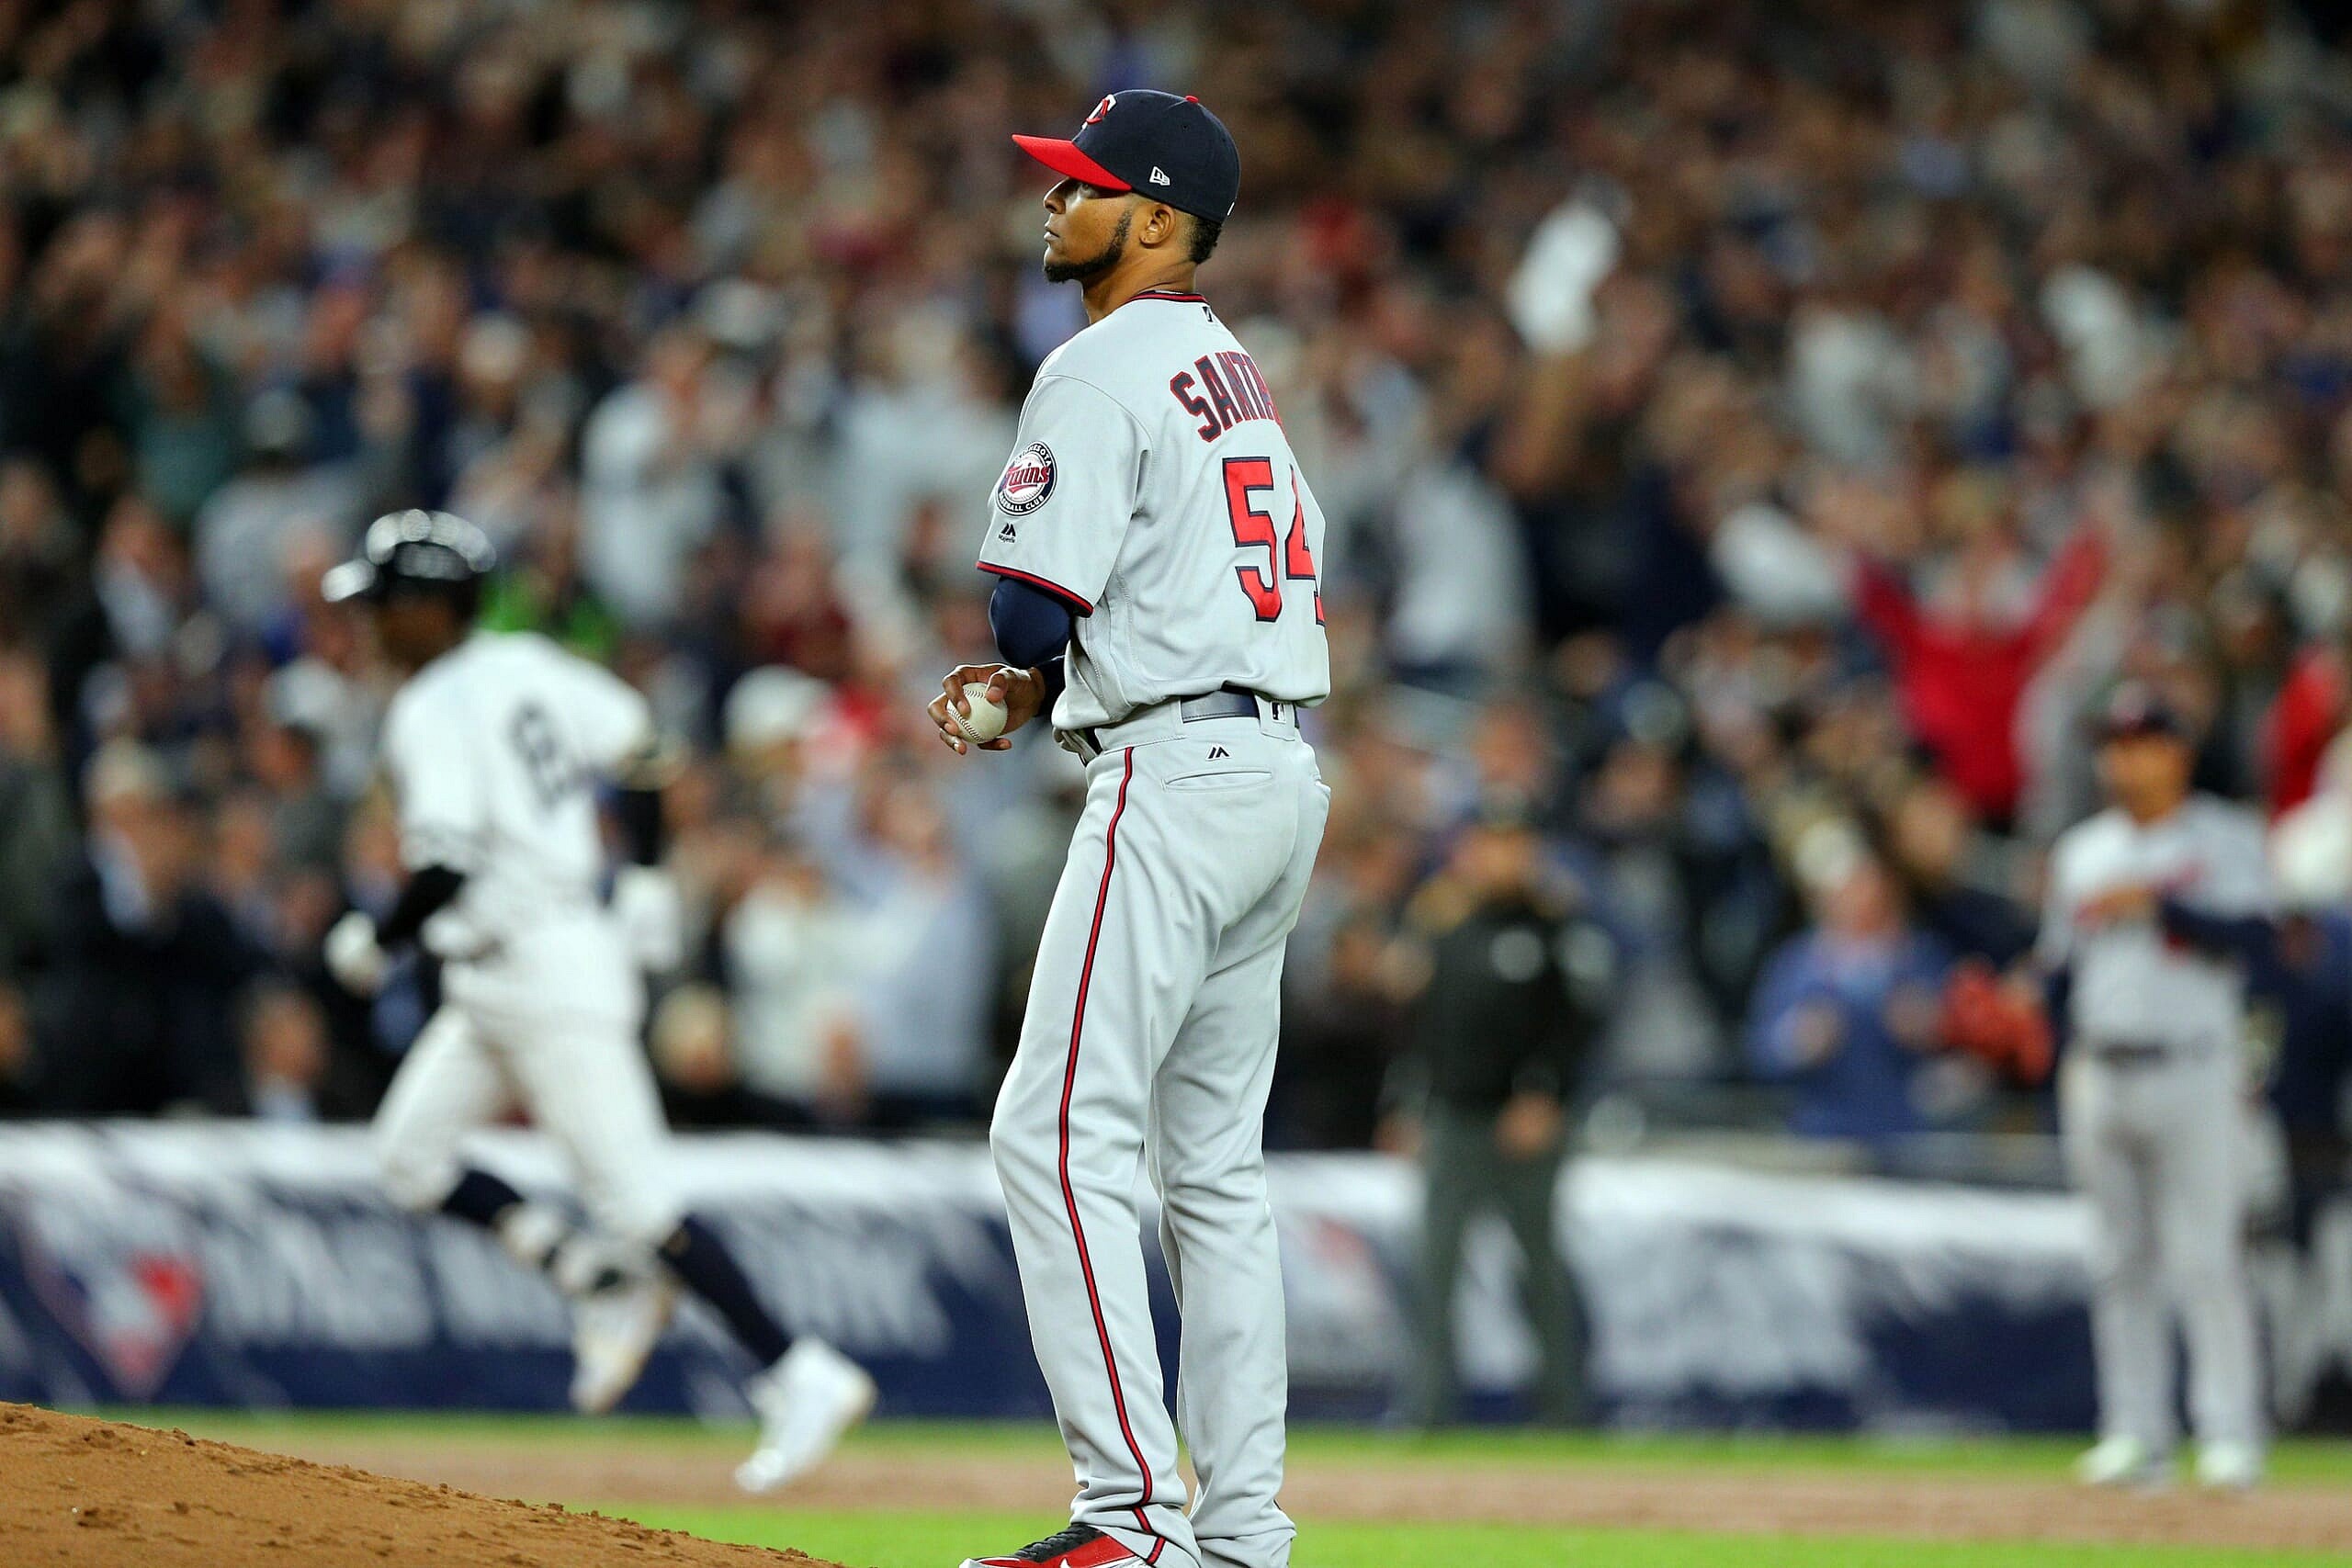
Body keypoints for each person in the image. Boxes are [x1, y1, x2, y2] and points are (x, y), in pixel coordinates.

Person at [926, 91, 1330, 1568]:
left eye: (1086, 184)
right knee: (1213, 1169)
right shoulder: (1233, 370)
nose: (1055, 201)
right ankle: (1238, 1535)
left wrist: (1036, 666)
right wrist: (1056, 692)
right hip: (1275, 768)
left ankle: (1134, 1517)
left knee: (1052, 1129)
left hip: (1172, 778)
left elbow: (1028, 604)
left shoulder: (1099, 366)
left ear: (1155, 220)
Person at [318, 509, 873, 1491]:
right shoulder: (528, 664)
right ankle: (592, 1278)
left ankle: (799, 1369)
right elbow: (646, 750)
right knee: (409, 1154)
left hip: (543, 968)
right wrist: (650, 877)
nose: (368, 625)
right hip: (505, 972)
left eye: (382, 605)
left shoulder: (431, 704)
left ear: (424, 607)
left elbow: (443, 863)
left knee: (637, 1200)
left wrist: (377, 938)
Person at [2040, 682, 2271, 1490]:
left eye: (2139, 741)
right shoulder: (2082, 850)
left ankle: (2228, 1433)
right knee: (2116, 1260)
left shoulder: (2224, 836)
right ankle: (2136, 1431)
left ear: (2175, 750)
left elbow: (2260, 942)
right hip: (2100, 1066)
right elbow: (2059, 969)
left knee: (2206, 1256)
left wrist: (2162, 905)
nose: (2123, 758)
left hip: (2196, 1064)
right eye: (2113, 743)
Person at [1389, 797, 1606, 1428]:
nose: (1499, 856)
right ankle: (1426, 1414)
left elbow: (1578, 1026)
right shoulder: (1447, 929)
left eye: (1513, 843)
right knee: (1437, 1270)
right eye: (1488, 842)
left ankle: (1565, 1410)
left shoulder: (1555, 929)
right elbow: (1425, 1029)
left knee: (1539, 1270)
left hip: (1524, 1126)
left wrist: (1546, 1095)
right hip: (1454, 1121)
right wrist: (1409, 1104)